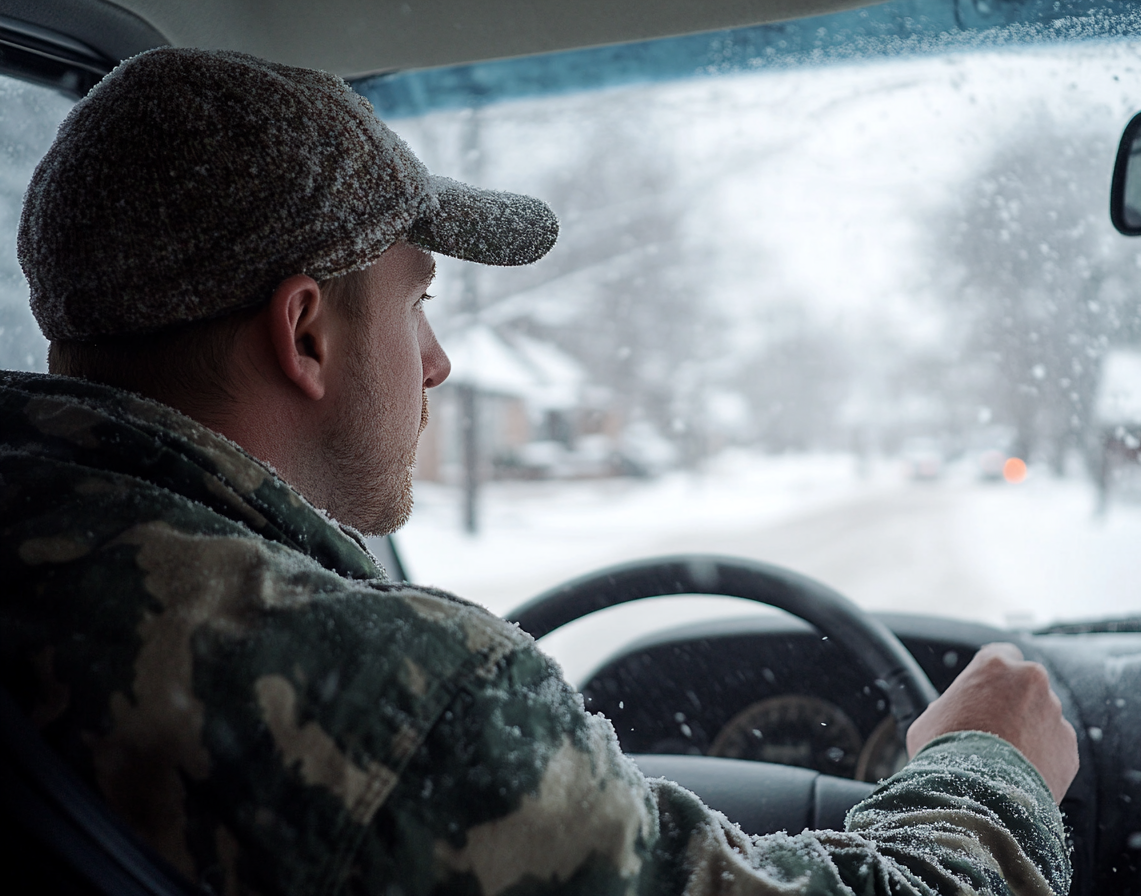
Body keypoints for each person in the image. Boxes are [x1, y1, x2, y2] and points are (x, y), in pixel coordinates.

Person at [0, 47, 1078, 896]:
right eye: (418, 300)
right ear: (308, 333)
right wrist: (991, 769)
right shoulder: (402, 698)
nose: (439, 361)